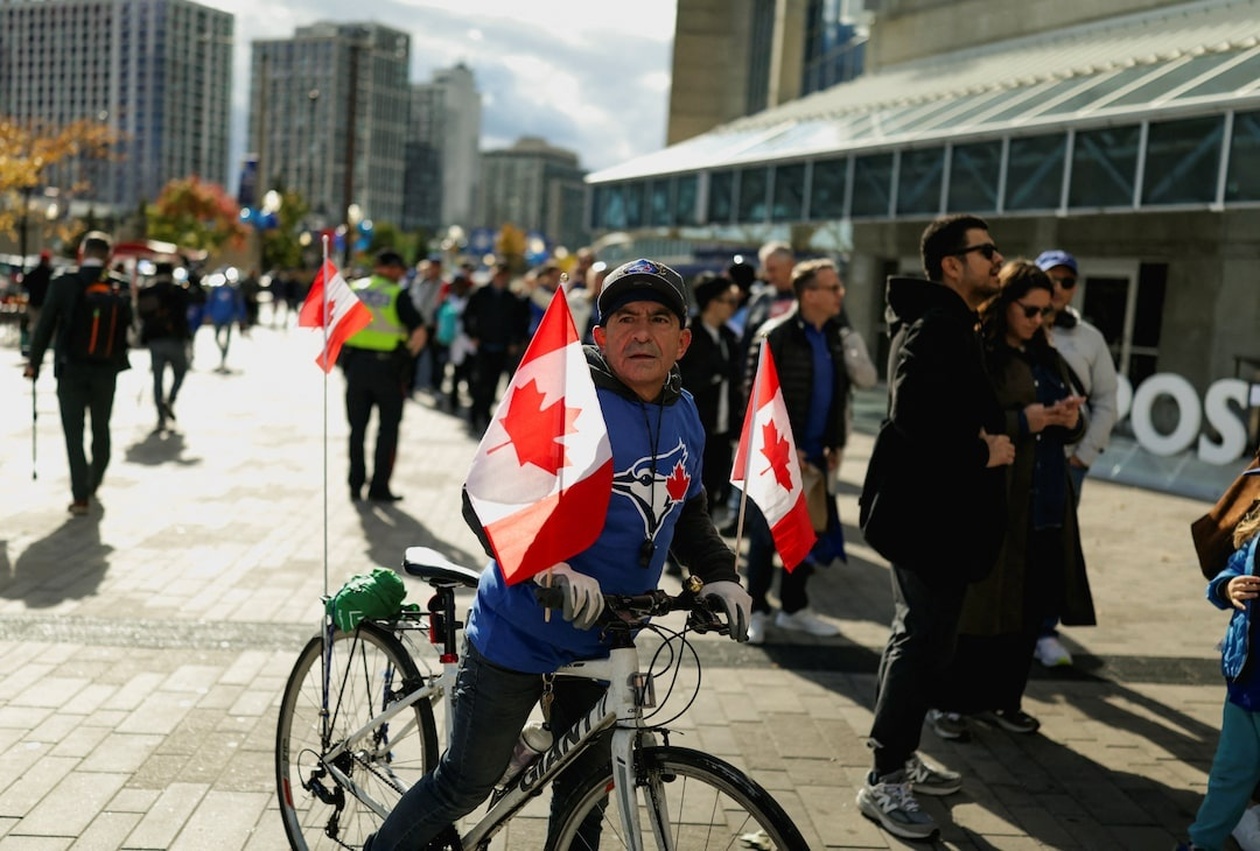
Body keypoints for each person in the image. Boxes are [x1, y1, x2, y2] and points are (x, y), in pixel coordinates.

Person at [362, 258, 753, 851]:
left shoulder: (686, 413)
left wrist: (720, 576)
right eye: (625, 318)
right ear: (599, 335)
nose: (641, 332)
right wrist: (550, 563)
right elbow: (483, 499)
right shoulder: (567, 400)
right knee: (464, 784)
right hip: (519, 630)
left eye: (658, 319)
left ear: (683, 340)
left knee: (584, 800)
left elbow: (688, 511)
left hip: (608, 635)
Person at [857, 214, 1015, 841]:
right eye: (986, 251)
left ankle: (897, 757)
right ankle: (885, 778)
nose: (997, 260)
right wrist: (984, 453)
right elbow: (914, 424)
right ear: (952, 263)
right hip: (926, 521)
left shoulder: (955, 323)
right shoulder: (933, 327)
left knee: (921, 640)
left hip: (937, 520)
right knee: (922, 642)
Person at [928, 260, 1094, 743]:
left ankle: (1006, 699)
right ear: (1006, 303)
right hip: (995, 498)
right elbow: (967, 420)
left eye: (1046, 311)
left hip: (1045, 498)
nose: (1039, 319)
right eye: (1030, 309)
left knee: (1029, 605)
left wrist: (1068, 421)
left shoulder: (1048, 354)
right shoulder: (983, 352)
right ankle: (951, 703)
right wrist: (1027, 421)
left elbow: (1075, 418)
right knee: (980, 609)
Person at [740, 259, 860, 644]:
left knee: (809, 533)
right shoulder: (775, 334)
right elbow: (754, 394)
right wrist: (784, 446)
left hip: (816, 455)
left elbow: (840, 392)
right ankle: (756, 609)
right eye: (833, 288)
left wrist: (836, 441)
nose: (840, 294)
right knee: (764, 535)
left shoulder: (834, 336)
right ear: (809, 294)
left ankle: (794, 608)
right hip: (777, 455)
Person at [1033, 248, 1120, 668]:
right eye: (1050, 279)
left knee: (1054, 543)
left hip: (1067, 462)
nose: (1058, 289)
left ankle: (1045, 630)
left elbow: (1106, 400)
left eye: (1066, 282)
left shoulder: (1089, 338)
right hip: (1019, 455)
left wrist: (1083, 456)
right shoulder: (1012, 327)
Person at [23, 231, 132, 516]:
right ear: (109, 257)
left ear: (82, 254)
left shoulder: (64, 283)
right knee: (101, 428)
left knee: (74, 434)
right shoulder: (119, 287)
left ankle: (80, 496)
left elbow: (45, 325)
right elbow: (127, 330)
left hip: (70, 370)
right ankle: (94, 482)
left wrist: (34, 362)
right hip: (106, 372)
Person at [1175, 499, 1260, 851]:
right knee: (1230, 770)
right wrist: (1228, 587)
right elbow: (1228, 571)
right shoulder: (1255, 529)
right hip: (1246, 678)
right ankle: (1202, 842)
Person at [341, 249, 427, 503]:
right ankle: (379, 487)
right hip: (388, 370)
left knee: (356, 429)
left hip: (356, 366)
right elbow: (419, 331)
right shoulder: (396, 294)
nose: (401, 275)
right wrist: (408, 358)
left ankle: (355, 485)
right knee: (387, 431)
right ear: (389, 269)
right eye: (399, 270)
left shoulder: (353, 289)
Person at [678, 272, 742, 528]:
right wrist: (715, 375)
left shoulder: (729, 336)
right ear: (713, 302)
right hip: (695, 426)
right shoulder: (688, 335)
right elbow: (684, 378)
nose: (732, 307)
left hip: (723, 429)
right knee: (687, 490)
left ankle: (704, 541)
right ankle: (675, 550)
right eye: (729, 301)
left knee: (713, 489)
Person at [463, 261, 529, 434]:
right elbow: (467, 316)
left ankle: (485, 415)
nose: (500, 279)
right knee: (478, 383)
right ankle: (473, 416)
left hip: (501, 349)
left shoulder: (510, 298)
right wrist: (473, 336)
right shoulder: (480, 293)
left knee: (493, 384)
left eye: (504, 275)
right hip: (482, 347)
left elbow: (519, 322)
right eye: (498, 275)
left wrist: (514, 342)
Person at [136, 258, 192, 433]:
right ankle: (170, 400)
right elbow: (195, 301)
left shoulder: (146, 292)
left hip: (155, 341)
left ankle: (160, 417)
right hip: (175, 339)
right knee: (180, 372)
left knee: (157, 379)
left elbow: (141, 314)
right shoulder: (178, 291)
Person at [204, 273, 246, 372]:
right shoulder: (215, 290)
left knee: (227, 340)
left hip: (229, 318)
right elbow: (210, 303)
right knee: (216, 338)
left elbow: (239, 304)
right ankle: (222, 355)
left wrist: (241, 317)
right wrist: (208, 315)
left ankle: (223, 360)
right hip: (217, 317)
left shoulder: (234, 290)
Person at [20, 249, 53, 355]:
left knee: (33, 326)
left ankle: (32, 347)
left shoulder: (34, 272)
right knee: (42, 327)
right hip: (44, 304)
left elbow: (24, 283)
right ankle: (39, 348)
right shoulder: (50, 274)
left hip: (32, 303)